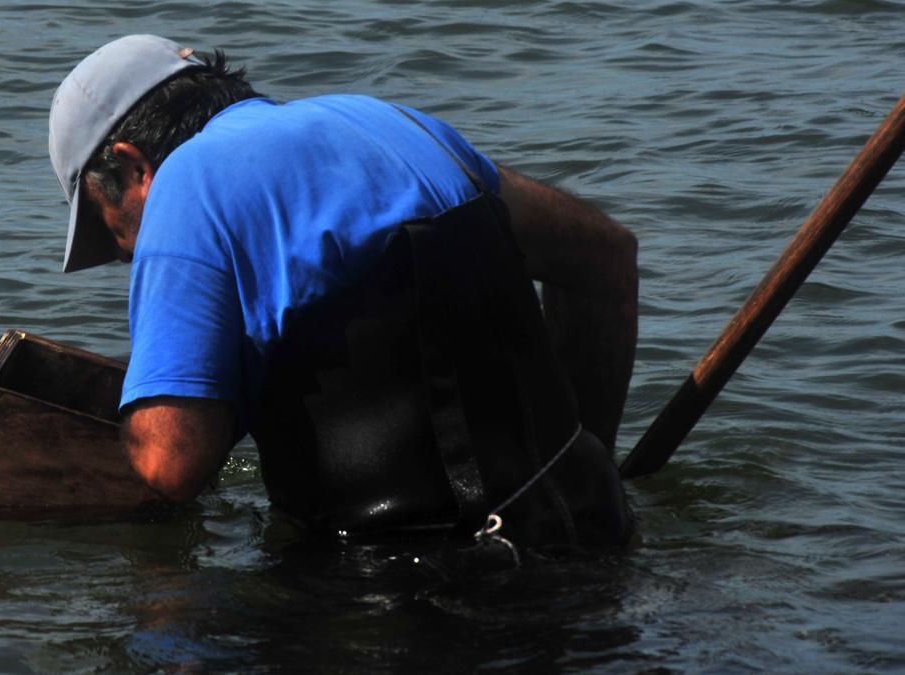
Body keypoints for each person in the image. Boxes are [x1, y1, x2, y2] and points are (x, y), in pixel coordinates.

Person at [49, 35, 637, 549]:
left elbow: (170, 463)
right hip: (591, 532)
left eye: (112, 231)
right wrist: (587, 460)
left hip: (402, 590)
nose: (128, 255)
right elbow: (605, 258)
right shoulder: (392, 122)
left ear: (132, 167)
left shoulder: (185, 182)